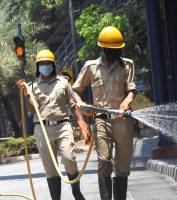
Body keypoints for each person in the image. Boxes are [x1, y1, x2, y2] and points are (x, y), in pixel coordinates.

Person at [71, 26, 136, 200]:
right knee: (105, 161)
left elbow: (131, 90)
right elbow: (75, 89)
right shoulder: (91, 67)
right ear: (104, 48)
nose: (116, 52)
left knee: (122, 165)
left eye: (118, 49)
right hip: (101, 121)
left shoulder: (127, 65)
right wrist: (80, 102)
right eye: (112, 49)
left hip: (122, 120)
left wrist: (126, 101)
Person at [17, 49, 90, 200]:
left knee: (69, 159)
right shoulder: (32, 86)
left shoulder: (63, 82)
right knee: (50, 168)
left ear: (53, 65)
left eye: (47, 63)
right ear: (38, 67)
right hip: (42, 129)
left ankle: (76, 192)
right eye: (41, 64)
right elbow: (32, 110)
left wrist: (82, 124)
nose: (45, 66)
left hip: (62, 126)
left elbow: (72, 105)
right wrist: (26, 93)